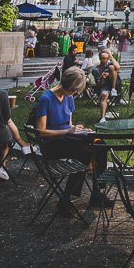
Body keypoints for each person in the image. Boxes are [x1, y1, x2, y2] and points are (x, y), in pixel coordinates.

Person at [31, 67, 109, 211]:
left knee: (101, 146)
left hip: (67, 139)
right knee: (85, 153)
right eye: (73, 90)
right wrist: (66, 130)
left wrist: (78, 129)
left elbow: (69, 124)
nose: (74, 94)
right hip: (52, 144)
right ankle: (66, 198)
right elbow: (40, 132)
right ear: (67, 85)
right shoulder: (46, 99)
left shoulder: (68, 97)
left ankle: (98, 193)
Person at [93, 49, 120, 119]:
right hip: (104, 87)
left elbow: (118, 67)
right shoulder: (96, 69)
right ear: (100, 58)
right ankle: (102, 118)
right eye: (103, 58)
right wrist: (102, 77)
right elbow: (98, 85)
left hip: (116, 85)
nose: (105, 60)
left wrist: (111, 56)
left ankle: (114, 89)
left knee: (112, 67)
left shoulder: (110, 65)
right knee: (104, 95)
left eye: (106, 58)